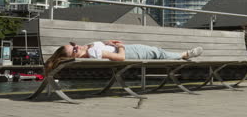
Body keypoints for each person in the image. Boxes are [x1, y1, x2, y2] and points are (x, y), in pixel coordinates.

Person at [44, 40, 203, 75]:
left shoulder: (88, 49)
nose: (77, 46)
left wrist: (108, 42)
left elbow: (104, 47)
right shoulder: (93, 53)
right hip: (130, 53)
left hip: (129, 50)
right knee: (157, 53)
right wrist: (120, 46)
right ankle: (185, 54)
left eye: (74, 44)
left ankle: (183, 55)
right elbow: (120, 58)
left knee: (157, 51)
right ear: (74, 55)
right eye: (74, 49)